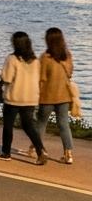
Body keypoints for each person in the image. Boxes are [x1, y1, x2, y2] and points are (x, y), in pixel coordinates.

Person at [0, 31, 50, 163]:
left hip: (13, 98)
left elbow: (7, 78)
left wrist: (0, 73)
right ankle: (40, 150)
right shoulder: (35, 61)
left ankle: (6, 152)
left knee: (8, 126)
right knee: (28, 126)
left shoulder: (12, 59)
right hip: (30, 98)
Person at [36, 27, 76, 165]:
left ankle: (40, 151)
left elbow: (41, 78)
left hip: (47, 96)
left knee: (41, 124)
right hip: (64, 96)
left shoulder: (45, 57)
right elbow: (70, 73)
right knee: (64, 125)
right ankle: (68, 154)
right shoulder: (67, 55)